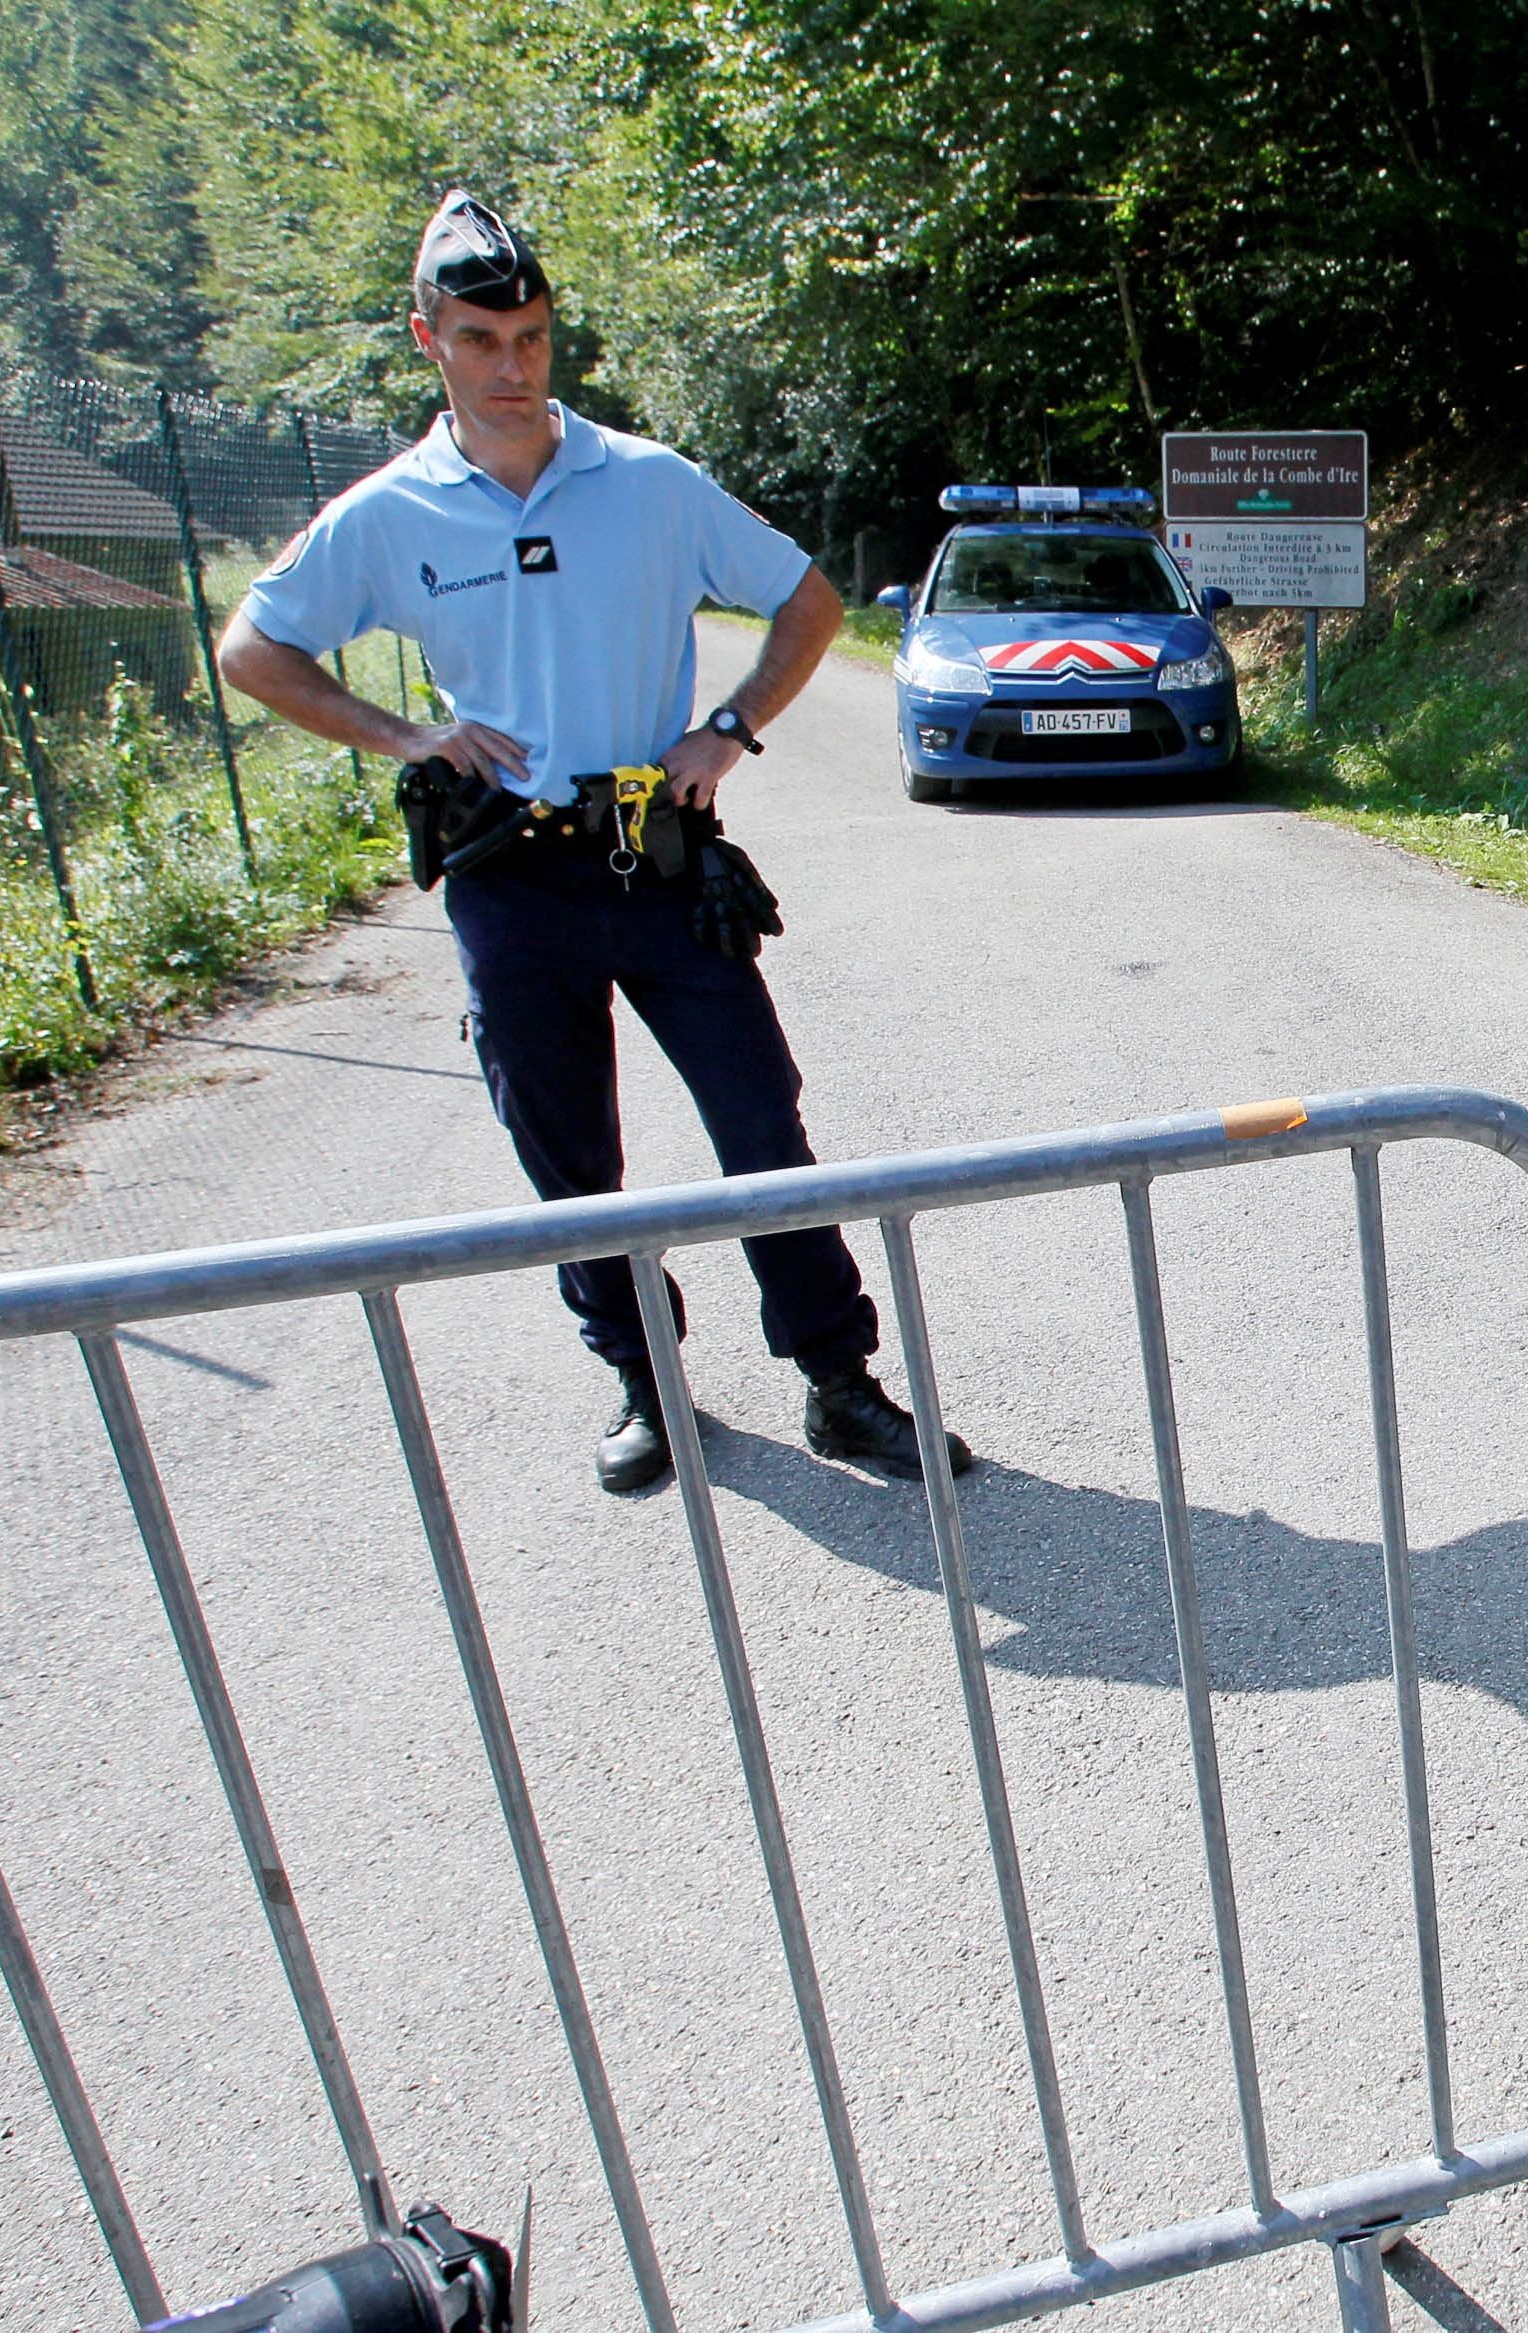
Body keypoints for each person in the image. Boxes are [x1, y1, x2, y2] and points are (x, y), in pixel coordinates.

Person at [217, 191, 971, 1494]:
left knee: (760, 1122)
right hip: (509, 878)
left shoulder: (650, 483)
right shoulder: (392, 515)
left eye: (531, 337)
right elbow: (251, 649)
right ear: (428, 340)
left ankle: (840, 1383)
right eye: (479, 340)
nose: (511, 366)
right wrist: (404, 737)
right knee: (570, 1156)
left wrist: (727, 728)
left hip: (659, 852)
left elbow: (808, 600)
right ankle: (645, 1379)